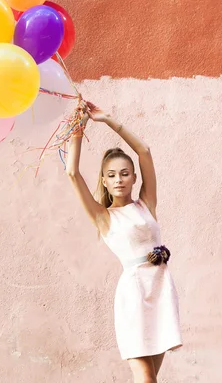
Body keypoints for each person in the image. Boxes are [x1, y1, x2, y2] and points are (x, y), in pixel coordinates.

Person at [66, 101, 181, 383]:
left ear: (133, 178)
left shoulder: (147, 204)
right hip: (134, 296)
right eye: (112, 175)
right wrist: (77, 133)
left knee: (152, 377)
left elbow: (144, 151)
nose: (119, 179)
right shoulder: (103, 217)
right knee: (145, 378)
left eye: (125, 173)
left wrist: (108, 120)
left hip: (161, 289)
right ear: (104, 181)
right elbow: (72, 173)